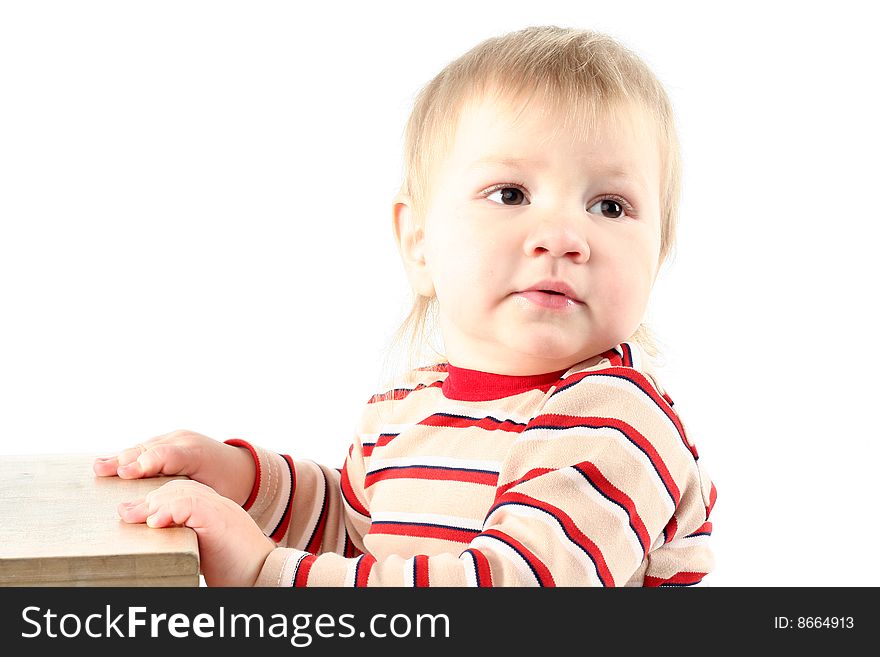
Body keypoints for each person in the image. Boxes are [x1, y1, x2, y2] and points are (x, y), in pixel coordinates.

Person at [94, 25, 716, 587]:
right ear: (419, 243)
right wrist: (240, 481)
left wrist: (267, 573)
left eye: (610, 205)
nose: (562, 236)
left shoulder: (616, 421)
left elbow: (513, 584)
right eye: (510, 193)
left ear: (657, 257)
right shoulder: (402, 410)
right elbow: (360, 543)